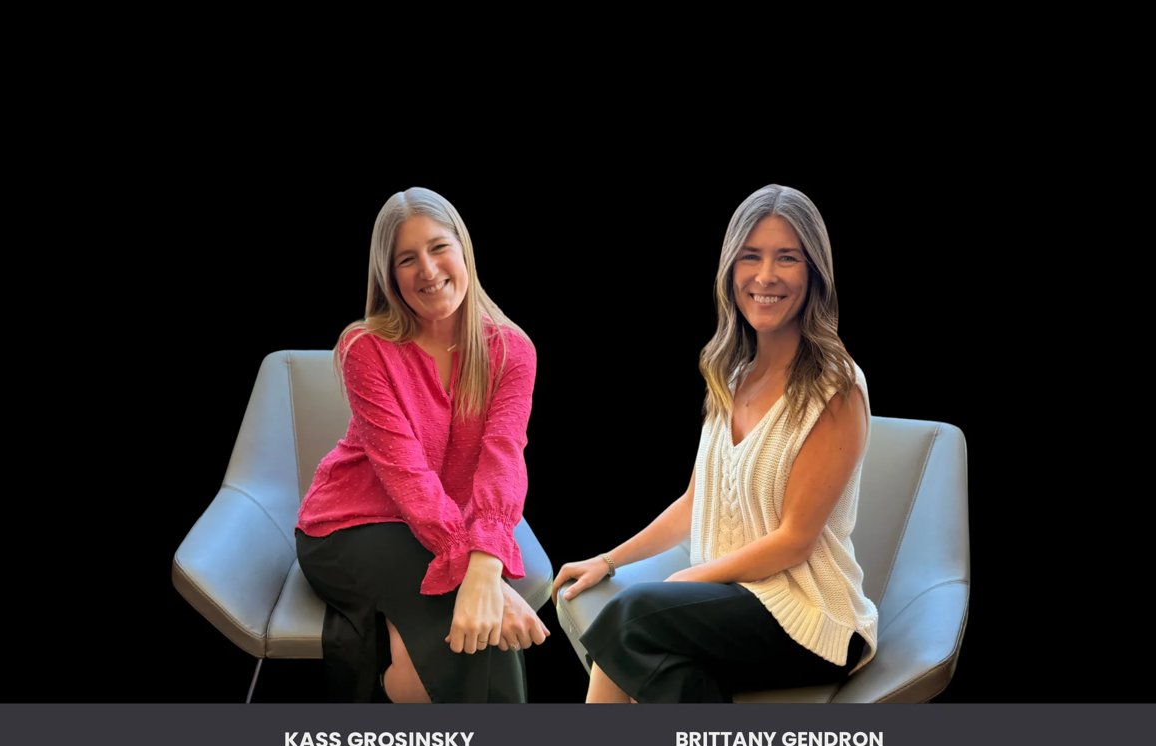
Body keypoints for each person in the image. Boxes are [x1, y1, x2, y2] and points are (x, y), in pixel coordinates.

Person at [553, 183, 876, 703]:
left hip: (811, 618)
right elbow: (695, 500)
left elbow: (795, 540)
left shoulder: (835, 388)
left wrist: (688, 580)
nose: (765, 276)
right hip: (731, 604)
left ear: (814, 272)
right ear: (730, 269)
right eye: (751, 256)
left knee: (631, 619)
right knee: (671, 674)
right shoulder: (733, 375)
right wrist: (609, 560)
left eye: (787, 257)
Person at [295, 187, 548, 703]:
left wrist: (485, 564)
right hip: (349, 527)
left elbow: (503, 459)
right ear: (389, 277)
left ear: (463, 248)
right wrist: (482, 574)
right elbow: (406, 474)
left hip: (437, 532)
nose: (428, 271)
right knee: (485, 618)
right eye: (407, 259)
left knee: (472, 629)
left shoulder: (512, 350)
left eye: (438, 247)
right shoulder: (364, 348)